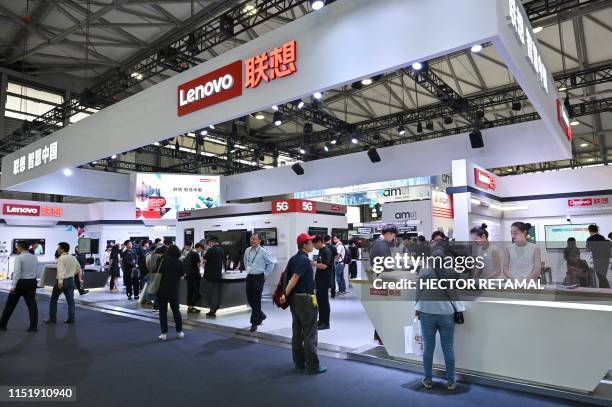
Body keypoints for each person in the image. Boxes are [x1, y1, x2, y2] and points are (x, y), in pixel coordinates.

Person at [415, 247, 465, 391]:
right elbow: (460, 283)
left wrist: (416, 308)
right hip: (446, 314)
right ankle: (451, 381)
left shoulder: (424, 271)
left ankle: (428, 379)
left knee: (428, 348)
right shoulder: (451, 272)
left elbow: (418, 292)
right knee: (448, 347)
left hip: (427, 313)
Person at [280, 233, 326, 375]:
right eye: (310, 243)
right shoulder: (304, 260)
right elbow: (294, 278)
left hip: (295, 300)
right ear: (304, 245)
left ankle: (299, 364)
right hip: (305, 300)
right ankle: (313, 365)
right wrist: (285, 294)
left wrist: (287, 294)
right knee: (310, 333)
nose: (313, 244)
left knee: (297, 332)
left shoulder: (293, 259)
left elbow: (286, 277)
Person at [0, 240, 39, 332]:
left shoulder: (19, 258)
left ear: (21, 247)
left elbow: (17, 273)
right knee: (32, 305)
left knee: (10, 305)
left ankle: (2, 325)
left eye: (17, 246)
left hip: (21, 283)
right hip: (32, 282)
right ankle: (33, 327)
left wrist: (13, 287)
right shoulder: (34, 257)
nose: (16, 248)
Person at [369, 224, 398, 345]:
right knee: (386, 309)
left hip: (379, 278)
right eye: (394, 236)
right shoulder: (382, 244)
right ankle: (382, 337)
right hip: (385, 280)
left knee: (382, 308)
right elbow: (388, 265)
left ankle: (378, 335)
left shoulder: (376, 243)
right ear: (389, 233)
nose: (393, 239)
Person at [243, 234, 275, 332]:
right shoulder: (247, 250)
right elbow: (245, 261)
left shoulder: (263, 252)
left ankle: (254, 322)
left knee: (256, 300)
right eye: (251, 239)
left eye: (254, 239)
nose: (252, 240)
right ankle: (261, 315)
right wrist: (248, 271)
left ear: (259, 241)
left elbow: (271, 263)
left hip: (259, 277)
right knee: (249, 298)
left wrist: (265, 274)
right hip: (250, 276)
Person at [44, 242, 80, 324]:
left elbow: (60, 271)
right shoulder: (73, 257)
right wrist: (71, 274)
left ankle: (52, 318)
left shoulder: (61, 258)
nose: (57, 249)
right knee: (71, 301)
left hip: (62, 281)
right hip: (71, 280)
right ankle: (71, 318)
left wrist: (60, 281)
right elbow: (78, 269)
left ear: (62, 249)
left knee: (54, 299)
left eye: (58, 248)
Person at [156, 245, 185, 341]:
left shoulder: (161, 261)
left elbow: (156, 272)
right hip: (174, 290)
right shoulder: (180, 262)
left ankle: (163, 334)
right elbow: (182, 276)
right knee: (176, 310)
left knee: (163, 312)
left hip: (161, 290)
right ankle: (179, 331)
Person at [312, 236, 333, 330]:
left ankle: (325, 323)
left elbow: (324, 266)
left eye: (315, 244)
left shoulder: (326, 251)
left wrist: (313, 264)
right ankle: (321, 321)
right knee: (320, 302)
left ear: (320, 242)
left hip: (324, 281)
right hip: (320, 281)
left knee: (324, 302)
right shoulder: (321, 251)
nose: (314, 246)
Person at [202, 236, 224, 318]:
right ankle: (213, 309)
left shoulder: (211, 250)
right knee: (214, 293)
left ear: (211, 242)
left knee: (203, 291)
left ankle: (212, 307)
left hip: (209, 275)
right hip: (217, 275)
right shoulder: (221, 250)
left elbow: (204, 261)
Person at [586, 224, 611, 288]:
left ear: (589, 230)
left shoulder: (589, 239)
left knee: (601, 277)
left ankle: (607, 292)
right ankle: (602, 292)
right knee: (602, 276)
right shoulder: (602, 237)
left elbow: (588, 250)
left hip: (598, 260)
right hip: (606, 260)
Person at [186, 243, 204, 314]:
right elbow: (198, 265)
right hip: (195, 275)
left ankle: (190, 306)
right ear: (198, 247)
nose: (201, 250)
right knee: (196, 291)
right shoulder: (196, 254)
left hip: (188, 275)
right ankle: (191, 307)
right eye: (201, 249)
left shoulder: (189, 253)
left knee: (190, 291)